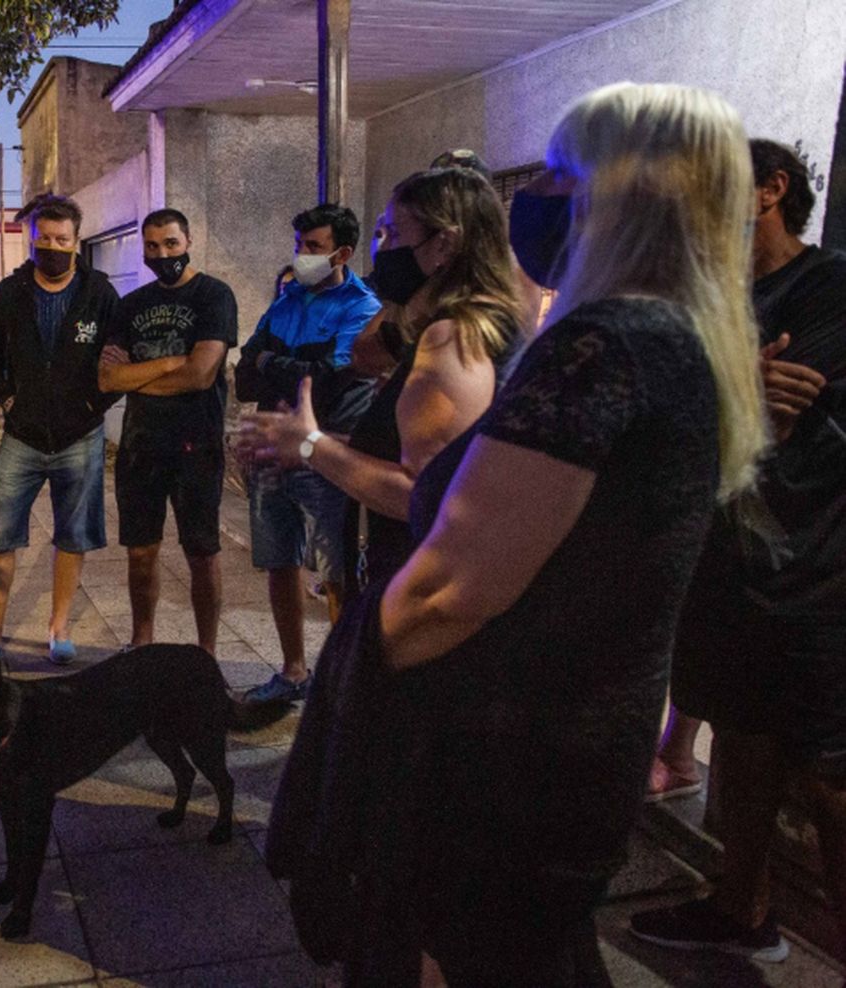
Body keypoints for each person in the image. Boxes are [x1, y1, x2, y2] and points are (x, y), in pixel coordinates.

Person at [261, 82, 768, 985]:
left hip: (502, 760)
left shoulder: (604, 346)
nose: (532, 197)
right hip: (573, 746)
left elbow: (452, 590)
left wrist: (350, 709)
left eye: (561, 174)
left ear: (625, 197)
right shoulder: (676, 337)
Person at [630, 139, 846, 961]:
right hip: (725, 565)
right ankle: (739, 910)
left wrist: (720, 396)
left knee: (831, 778)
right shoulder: (699, 300)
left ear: (769, 192)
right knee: (744, 738)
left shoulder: (829, 286)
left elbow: (799, 398)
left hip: (819, 574)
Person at [244, 166, 524, 609]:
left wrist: (311, 446)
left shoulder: (451, 339)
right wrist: (299, 439)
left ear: (444, 245)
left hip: (429, 593)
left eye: (392, 234)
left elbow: (424, 491)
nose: (382, 251)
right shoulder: (457, 326)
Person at [0, 194, 120, 666]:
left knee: (72, 537)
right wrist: (6, 396)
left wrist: (96, 403)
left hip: (80, 435)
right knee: (2, 536)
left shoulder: (100, 294)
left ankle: (60, 626)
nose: (52, 247)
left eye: (61, 240)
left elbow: (119, 359)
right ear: (31, 241)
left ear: (76, 241)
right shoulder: (10, 295)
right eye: (43, 240)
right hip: (22, 436)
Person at [234, 203, 381, 703]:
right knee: (279, 560)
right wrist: (285, 366)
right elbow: (243, 370)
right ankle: (294, 671)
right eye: (299, 245)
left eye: (313, 247)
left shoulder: (361, 305)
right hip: (274, 448)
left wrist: (271, 361)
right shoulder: (287, 299)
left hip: (326, 452)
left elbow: (331, 382)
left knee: (336, 571)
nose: (302, 256)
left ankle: (342, 684)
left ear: (341, 252)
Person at [97, 208, 237, 654]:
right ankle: (142, 646)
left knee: (202, 553)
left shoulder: (214, 296)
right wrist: (171, 363)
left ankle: (206, 653)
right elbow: (107, 380)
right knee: (140, 552)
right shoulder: (130, 304)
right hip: (141, 445)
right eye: (153, 247)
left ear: (188, 241)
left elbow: (200, 375)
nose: (162, 254)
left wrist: (137, 376)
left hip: (197, 445)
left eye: (171, 244)